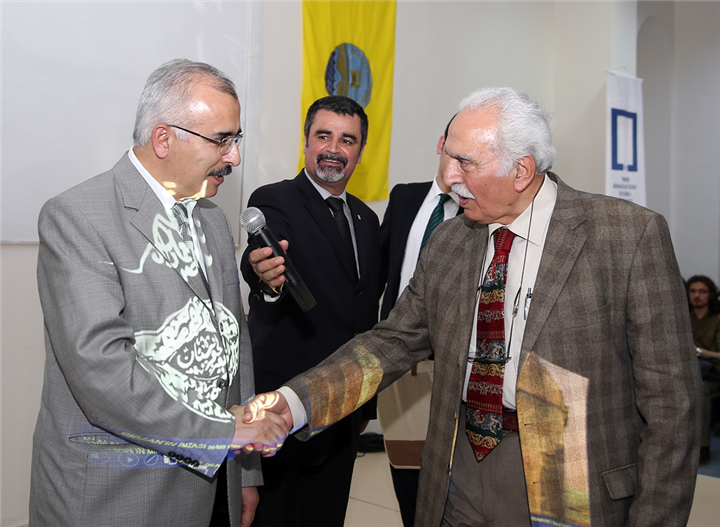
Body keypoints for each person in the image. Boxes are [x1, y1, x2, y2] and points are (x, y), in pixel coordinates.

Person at [245, 87, 702, 527]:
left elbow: (672, 406)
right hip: (457, 470)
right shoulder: (450, 241)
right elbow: (391, 343)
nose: (449, 177)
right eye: (449, 157)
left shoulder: (625, 237)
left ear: (521, 170)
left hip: (570, 482)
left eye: (464, 162)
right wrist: (293, 403)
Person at [30, 59, 288, 527]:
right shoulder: (77, 217)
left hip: (212, 482)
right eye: (221, 140)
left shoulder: (211, 219)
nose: (234, 157)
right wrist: (223, 433)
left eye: (236, 139)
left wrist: (246, 472)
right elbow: (101, 371)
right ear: (164, 139)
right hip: (117, 495)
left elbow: (235, 346)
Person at [240, 95, 381, 526]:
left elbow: (365, 315)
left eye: (347, 140)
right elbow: (264, 254)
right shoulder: (276, 199)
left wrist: (366, 406)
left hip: (342, 407)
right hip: (282, 404)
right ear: (306, 141)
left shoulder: (367, 220)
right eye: (324, 136)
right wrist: (265, 273)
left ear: (360, 151)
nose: (334, 149)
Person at [376, 117, 460, 527]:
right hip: (401, 365)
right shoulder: (405, 197)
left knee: (449, 480)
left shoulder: (478, 212)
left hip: (450, 367)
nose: (460, 165)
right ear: (441, 143)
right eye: (455, 151)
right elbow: (379, 271)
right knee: (406, 470)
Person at [686, 275, 720, 465]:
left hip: (713, 374)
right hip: (686, 371)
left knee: (700, 388)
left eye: (702, 291)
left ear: (711, 295)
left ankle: (702, 446)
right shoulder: (683, 317)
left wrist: (699, 351)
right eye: (693, 291)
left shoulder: (717, 319)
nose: (697, 296)